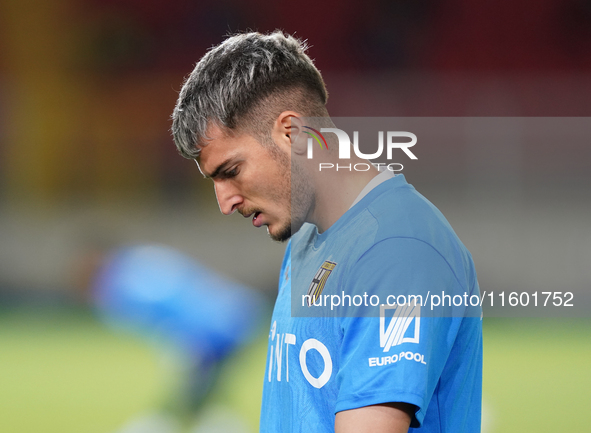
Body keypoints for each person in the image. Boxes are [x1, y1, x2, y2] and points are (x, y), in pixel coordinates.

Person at [171, 31, 482, 433]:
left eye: (230, 171)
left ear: (292, 133)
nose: (224, 202)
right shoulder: (305, 237)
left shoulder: (397, 251)